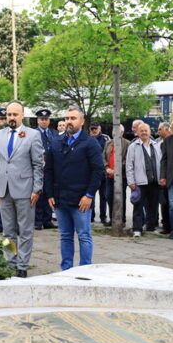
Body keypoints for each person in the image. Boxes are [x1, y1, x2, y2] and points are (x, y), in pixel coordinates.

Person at [45, 106, 104, 270]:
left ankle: (85, 269)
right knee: (65, 236)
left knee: (84, 235)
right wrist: (50, 194)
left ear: (82, 121)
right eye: (67, 118)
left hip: (81, 200)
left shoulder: (90, 143)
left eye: (73, 118)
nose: (69, 121)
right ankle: (66, 270)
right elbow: (48, 170)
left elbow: (98, 171)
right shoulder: (56, 142)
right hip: (60, 199)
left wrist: (89, 195)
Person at [0, 101, 44, 278]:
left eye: (15, 114)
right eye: (9, 115)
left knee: (25, 231)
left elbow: (38, 165)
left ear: (22, 115)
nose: (11, 117)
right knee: (8, 231)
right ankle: (10, 263)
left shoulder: (33, 135)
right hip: (4, 190)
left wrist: (37, 189)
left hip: (25, 190)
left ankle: (22, 265)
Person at [126, 123, 161, 237]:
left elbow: (160, 162)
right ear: (137, 133)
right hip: (139, 182)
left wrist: (161, 178)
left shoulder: (156, 145)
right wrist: (131, 181)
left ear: (150, 132)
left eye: (146, 130)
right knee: (138, 206)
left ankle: (151, 227)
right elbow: (129, 165)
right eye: (141, 131)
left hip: (154, 181)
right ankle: (137, 229)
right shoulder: (133, 146)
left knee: (153, 206)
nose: (144, 133)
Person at [34, 108, 58, 230]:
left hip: (51, 168)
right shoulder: (33, 133)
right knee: (39, 192)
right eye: (42, 119)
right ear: (38, 121)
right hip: (38, 167)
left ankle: (47, 219)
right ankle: (37, 220)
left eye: (46, 119)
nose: (44, 121)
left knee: (49, 192)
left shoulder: (54, 134)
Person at [103, 124, 130, 227]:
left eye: (117, 131)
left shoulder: (127, 143)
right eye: (113, 131)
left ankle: (121, 220)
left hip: (121, 177)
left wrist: (117, 170)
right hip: (109, 176)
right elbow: (103, 157)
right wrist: (107, 168)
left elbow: (127, 159)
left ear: (122, 133)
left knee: (120, 199)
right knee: (109, 197)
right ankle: (112, 218)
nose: (114, 133)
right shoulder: (108, 143)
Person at [89, 122, 110, 225]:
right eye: (92, 129)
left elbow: (108, 154)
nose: (94, 131)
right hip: (91, 172)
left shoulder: (106, 139)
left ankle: (103, 217)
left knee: (104, 196)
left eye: (95, 129)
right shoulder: (87, 139)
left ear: (100, 128)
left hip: (102, 171)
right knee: (90, 195)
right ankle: (91, 216)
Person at [155, 122, 172, 234]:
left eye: (160, 129)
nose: (158, 131)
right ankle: (166, 225)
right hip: (162, 177)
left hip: (172, 177)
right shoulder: (157, 142)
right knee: (164, 202)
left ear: (167, 130)